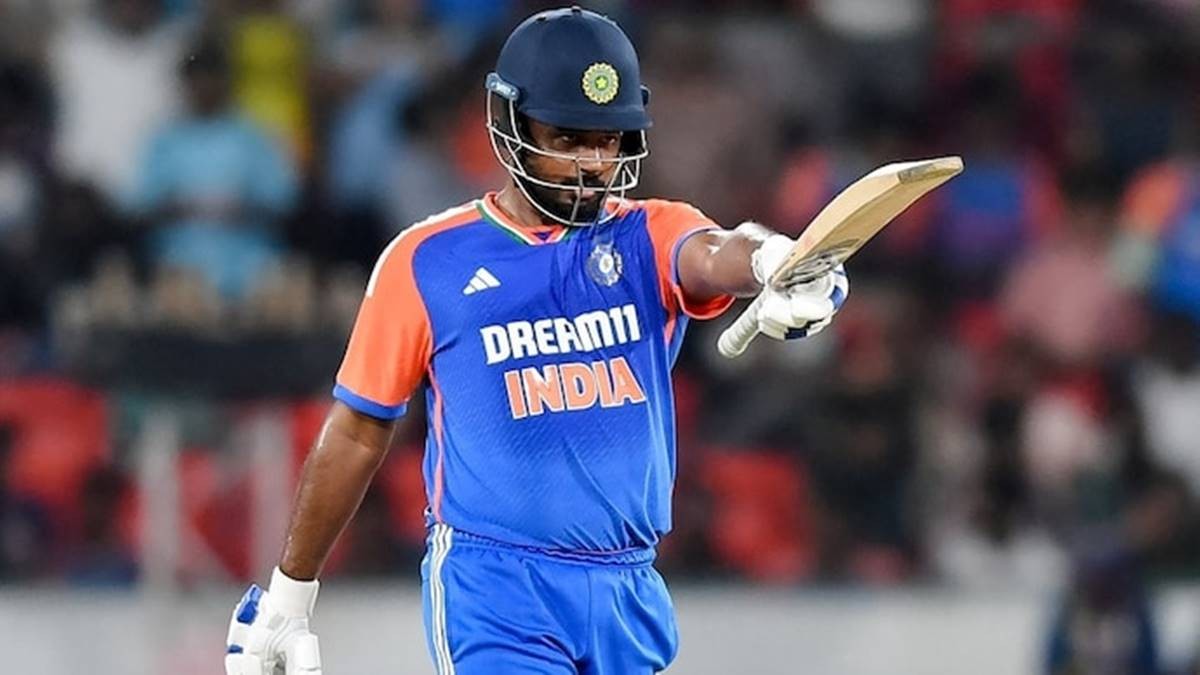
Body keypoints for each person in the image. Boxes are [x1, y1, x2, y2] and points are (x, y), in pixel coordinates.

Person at [224, 7, 849, 675]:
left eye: (609, 141)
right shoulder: (427, 262)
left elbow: (719, 251)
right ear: (509, 124)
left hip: (628, 588)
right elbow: (356, 431)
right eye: (568, 139)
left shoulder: (649, 233)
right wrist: (290, 596)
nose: (593, 164)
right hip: (496, 588)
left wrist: (777, 262)